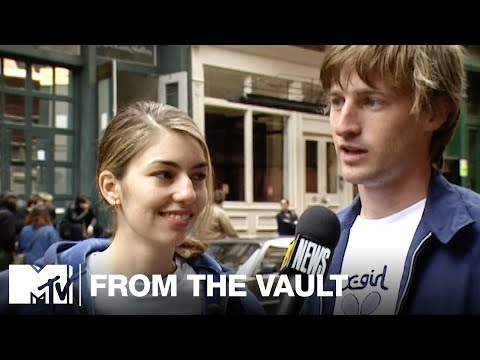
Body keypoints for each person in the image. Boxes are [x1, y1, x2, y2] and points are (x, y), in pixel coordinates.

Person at [0, 101, 264, 315]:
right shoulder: (22, 295)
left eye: (198, 176)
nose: (187, 193)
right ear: (111, 187)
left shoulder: (234, 302)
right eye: (164, 174)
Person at [302, 45, 480, 315]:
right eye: (337, 101)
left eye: (371, 101)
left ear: (434, 112)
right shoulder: (317, 243)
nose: (343, 126)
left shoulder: (473, 239)